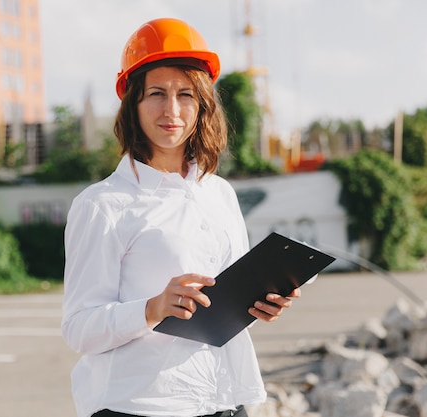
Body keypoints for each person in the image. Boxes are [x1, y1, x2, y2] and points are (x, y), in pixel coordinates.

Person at [61, 17, 301, 417]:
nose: (171, 109)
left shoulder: (219, 194)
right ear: (133, 103)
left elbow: (227, 310)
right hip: (140, 405)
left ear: (202, 104)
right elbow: (79, 328)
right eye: (156, 93)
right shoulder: (103, 204)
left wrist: (260, 304)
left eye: (185, 94)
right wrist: (152, 308)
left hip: (224, 398)